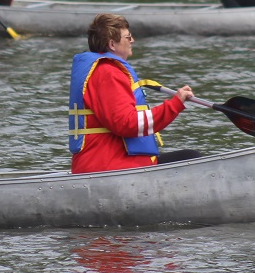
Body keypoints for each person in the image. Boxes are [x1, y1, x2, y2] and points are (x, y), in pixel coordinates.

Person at [69, 13, 201, 174]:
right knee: (193, 159)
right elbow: (127, 124)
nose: (132, 41)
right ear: (112, 44)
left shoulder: (104, 70)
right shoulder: (108, 74)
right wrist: (175, 104)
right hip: (110, 167)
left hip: (113, 164)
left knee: (190, 156)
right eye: (128, 37)